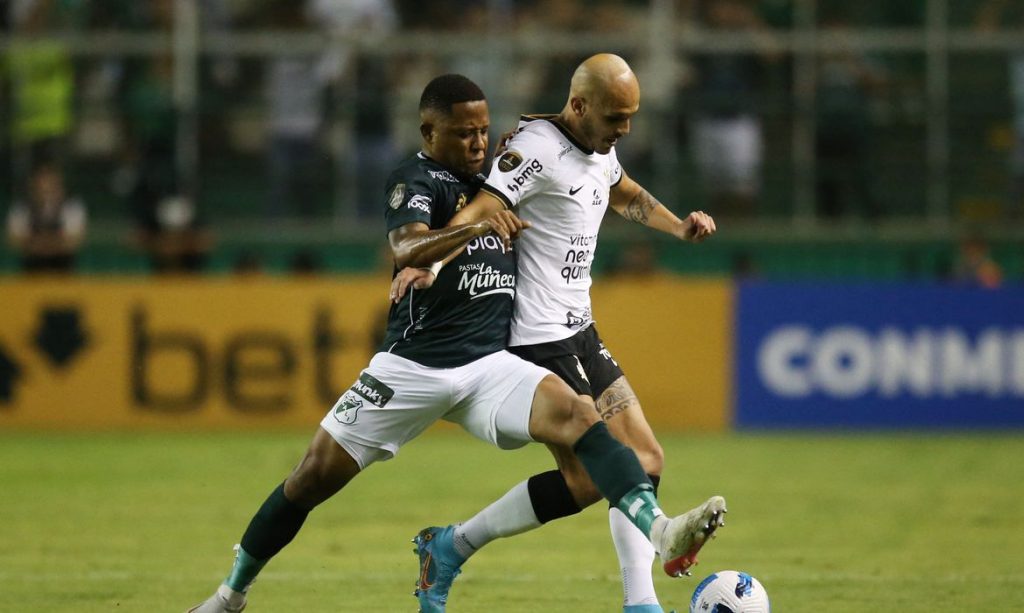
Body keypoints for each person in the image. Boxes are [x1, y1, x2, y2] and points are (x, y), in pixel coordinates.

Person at [186, 74, 725, 613]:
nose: (478, 143)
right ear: (429, 132)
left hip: (490, 365)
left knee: (579, 416)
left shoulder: (503, 175)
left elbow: (583, 171)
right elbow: (407, 248)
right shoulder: (415, 180)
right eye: (464, 132)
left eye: (483, 130)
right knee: (310, 479)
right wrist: (462, 238)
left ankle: (658, 533)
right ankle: (229, 595)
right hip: (413, 368)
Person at [392, 54, 720, 613]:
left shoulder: (599, 144)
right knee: (604, 470)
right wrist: (433, 261)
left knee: (643, 459)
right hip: (536, 336)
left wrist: (677, 227)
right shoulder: (535, 150)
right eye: (616, 118)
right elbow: (483, 208)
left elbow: (621, 190)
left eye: (631, 117)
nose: (625, 129)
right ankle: (639, 597)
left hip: (580, 329)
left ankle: (453, 547)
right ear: (580, 105)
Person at [5, 161, 87, 273]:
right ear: (32, 186)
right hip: (30, 269)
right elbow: (14, 240)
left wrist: (37, 243)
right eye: (41, 186)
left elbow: (74, 240)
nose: (46, 190)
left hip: (64, 269)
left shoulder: (71, 206)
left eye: (51, 185)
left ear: (59, 185)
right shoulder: (21, 207)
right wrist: (54, 243)